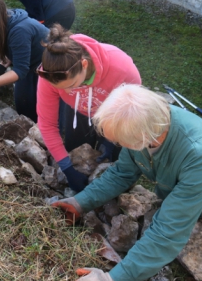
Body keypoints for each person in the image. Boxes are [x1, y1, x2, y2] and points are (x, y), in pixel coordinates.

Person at [52, 84, 202, 281]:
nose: (117, 145)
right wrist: (80, 202)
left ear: (143, 139)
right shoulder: (145, 124)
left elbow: (168, 232)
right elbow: (122, 172)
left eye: (119, 142)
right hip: (178, 192)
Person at [36, 26, 141, 192]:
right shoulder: (51, 74)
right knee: (76, 151)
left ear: (84, 65)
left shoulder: (122, 70)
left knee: (113, 160)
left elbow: (132, 114)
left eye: (71, 85)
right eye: (62, 88)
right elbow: (47, 124)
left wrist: (114, 139)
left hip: (115, 115)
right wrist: (67, 168)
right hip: (79, 110)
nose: (68, 92)